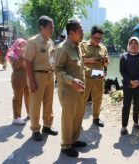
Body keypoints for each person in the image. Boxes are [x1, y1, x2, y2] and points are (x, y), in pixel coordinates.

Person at [55, 20, 86, 158]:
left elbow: (80, 68)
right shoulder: (62, 48)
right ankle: (66, 145)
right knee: (68, 118)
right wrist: (71, 81)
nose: (83, 33)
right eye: (80, 31)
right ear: (71, 33)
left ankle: (74, 140)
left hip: (79, 90)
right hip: (68, 90)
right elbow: (57, 70)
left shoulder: (78, 47)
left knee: (78, 115)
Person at [24, 15, 57, 141]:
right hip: (37, 76)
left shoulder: (50, 42)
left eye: (53, 27)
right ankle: (35, 129)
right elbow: (27, 62)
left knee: (49, 103)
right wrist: (31, 81)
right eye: (50, 27)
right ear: (42, 27)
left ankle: (47, 126)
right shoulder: (33, 42)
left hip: (49, 75)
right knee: (35, 104)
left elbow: (52, 59)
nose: (52, 29)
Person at [81, 26, 109, 127]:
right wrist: (89, 60)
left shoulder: (103, 48)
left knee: (98, 99)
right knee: (82, 99)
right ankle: (78, 119)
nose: (98, 40)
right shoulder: (82, 45)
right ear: (91, 36)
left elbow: (106, 64)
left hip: (99, 77)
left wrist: (105, 60)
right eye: (96, 38)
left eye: (100, 38)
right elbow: (77, 61)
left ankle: (96, 118)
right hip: (86, 78)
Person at [119, 37, 139, 135]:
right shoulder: (124, 56)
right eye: (132, 43)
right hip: (128, 85)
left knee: (137, 105)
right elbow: (122, 71)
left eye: (136, 43)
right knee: (126, 106)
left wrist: (138, 81)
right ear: (128, 44)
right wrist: (131, 81)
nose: (134, 45)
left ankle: (136, 122)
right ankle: (124, 126)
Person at [6, 38, 29, 125]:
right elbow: (16, 66)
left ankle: (29, 113)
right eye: (20, 45)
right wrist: (21, 56)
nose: (22, 46)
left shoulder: (27, 53)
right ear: (16, 45)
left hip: (27, 78)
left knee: (28, 97)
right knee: (17, 98)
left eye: (24, 45)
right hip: (17, 79)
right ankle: (16, 117)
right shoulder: (12, 54)